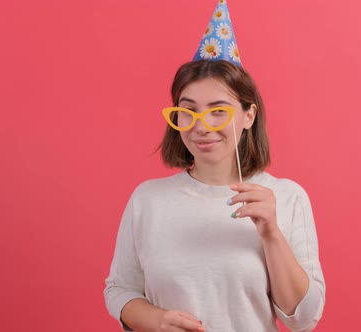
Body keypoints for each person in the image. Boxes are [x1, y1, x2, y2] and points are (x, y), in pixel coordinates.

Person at [104, 2, 325, 331]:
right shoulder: (148, 199)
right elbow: (120, 289)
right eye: (188, 110)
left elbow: (304, 320)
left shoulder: (286, 196)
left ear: (248, 115)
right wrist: (157, 320)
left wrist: (270, 233)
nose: (201, 126)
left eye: (218, 111)